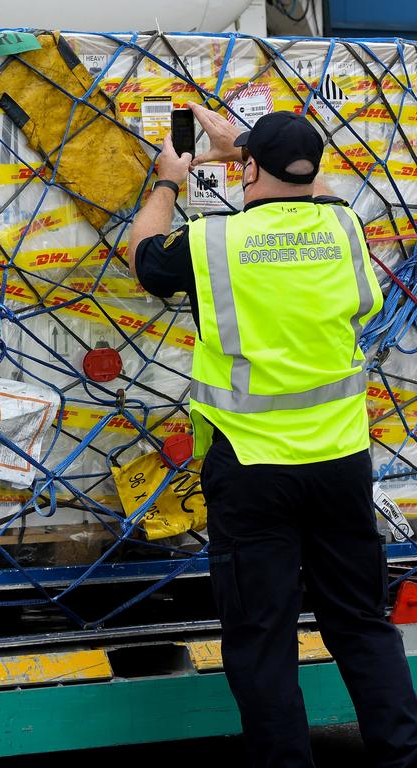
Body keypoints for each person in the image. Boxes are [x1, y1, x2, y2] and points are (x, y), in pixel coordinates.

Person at [128, 105, 417, 768]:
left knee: (262, 639)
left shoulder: (212, 243)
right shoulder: (343, 227)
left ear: (248, 170)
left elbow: (144, 257)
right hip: (341, 464)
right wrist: (251, 152)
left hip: (252, 469)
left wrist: (170, 180)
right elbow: (312, 198)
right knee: (362, 625)